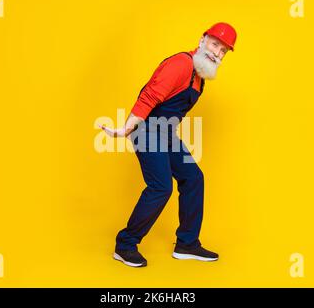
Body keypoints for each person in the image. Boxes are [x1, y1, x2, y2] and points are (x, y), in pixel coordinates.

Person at [99, 23, 237, 267]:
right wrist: (127, 128)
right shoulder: (181, 63)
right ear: (202, 39)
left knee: (194, 178)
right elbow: (150, 95)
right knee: (161, 187)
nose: (217, 53)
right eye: (215, 44)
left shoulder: (199, 77)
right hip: (146, 131)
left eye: (223, 51)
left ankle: (187, 244)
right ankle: (126, 244)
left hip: (166, 134)